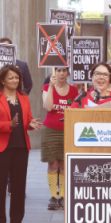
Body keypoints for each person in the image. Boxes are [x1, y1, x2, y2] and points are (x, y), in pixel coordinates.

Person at [0, 65, 43, 223]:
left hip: (20, 147)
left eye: (17, 78)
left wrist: (30, 124)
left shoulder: (24, 98)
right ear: (2, 80)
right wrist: (8, 125)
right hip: (0, 148)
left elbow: (26, 120)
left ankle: (17, 221)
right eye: (11, 78)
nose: (14, 81)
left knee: (19, 186)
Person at [41, 67, 78, 210]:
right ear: (54, 72)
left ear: (68, 73)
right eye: (58, 70)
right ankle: (53, 197)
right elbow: (48, 107)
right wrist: (51, 87)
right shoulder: (46, 87)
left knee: (64, 164)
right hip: (50, 129)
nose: (61, 73)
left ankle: (62, 196)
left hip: (68, 130)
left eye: (64, 70)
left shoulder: (74, 90)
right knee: (53, 164)